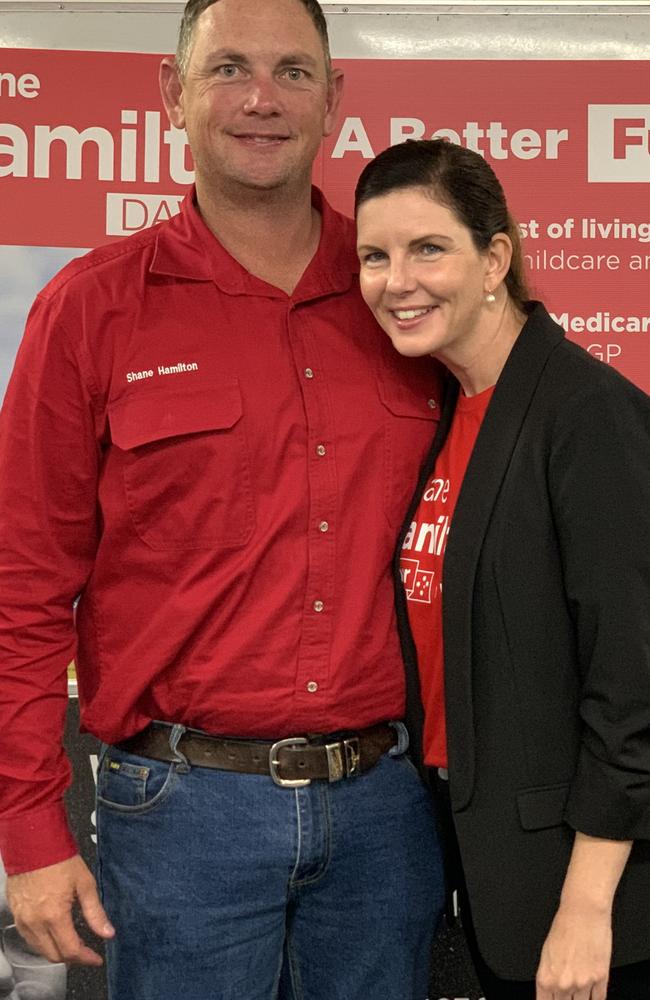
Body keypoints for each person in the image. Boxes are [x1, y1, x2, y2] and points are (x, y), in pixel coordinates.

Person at [0, 4, 446, 998]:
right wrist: (29, 826)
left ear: (334, 99)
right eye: (229, 68)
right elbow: (24, 588)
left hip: (387, 812)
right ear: (172, 93)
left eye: (293, 71)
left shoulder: (408, 301)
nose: (260, 98)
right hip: (178, 818)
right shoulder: (90, 306)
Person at [354, 138, 650, 1000]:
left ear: (495, 259)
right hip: (485, 872)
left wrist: (586, 906)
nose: (396, 280)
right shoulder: (444, 412)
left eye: (427, 248)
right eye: (375, 255)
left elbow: (633, 687)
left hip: (590, 901)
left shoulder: (589, 416)